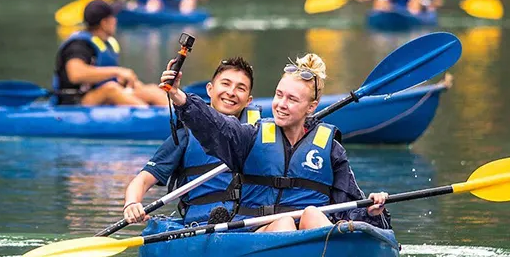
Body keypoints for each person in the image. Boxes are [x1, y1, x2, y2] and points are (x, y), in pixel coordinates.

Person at [161, 53, 390, 231]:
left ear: (311, 107)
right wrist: (179, 97)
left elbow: (349, 207)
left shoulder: (330, 150)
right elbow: (216, 127)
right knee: (284, 223)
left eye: (292, 99)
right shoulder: (250, 137)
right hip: (259, 237)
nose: (281, 104)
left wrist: (371, 210)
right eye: (279, 95)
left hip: (314, 237)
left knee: (311, 214)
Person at [122, 57, 262, 227]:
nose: (231, 92)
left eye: (240, 88)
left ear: (249, 100)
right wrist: (132, 203)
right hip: (202, 225)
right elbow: (142, 180)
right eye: (225, 84)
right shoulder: (186, 136)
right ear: (209, 89)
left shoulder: (259, 135)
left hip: (249, 224)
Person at [53, 0, 168, 107]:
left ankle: (177, 116)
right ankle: (149, 118)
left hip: (98, 95)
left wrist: (129, 82)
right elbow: (76, 74)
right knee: (111, 89)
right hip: (73, 101)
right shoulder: (79, 45)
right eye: (113, 17)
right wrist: (117, 72)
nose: (116, 21)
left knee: (151, 90)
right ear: (104, 23)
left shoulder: (106, 43)